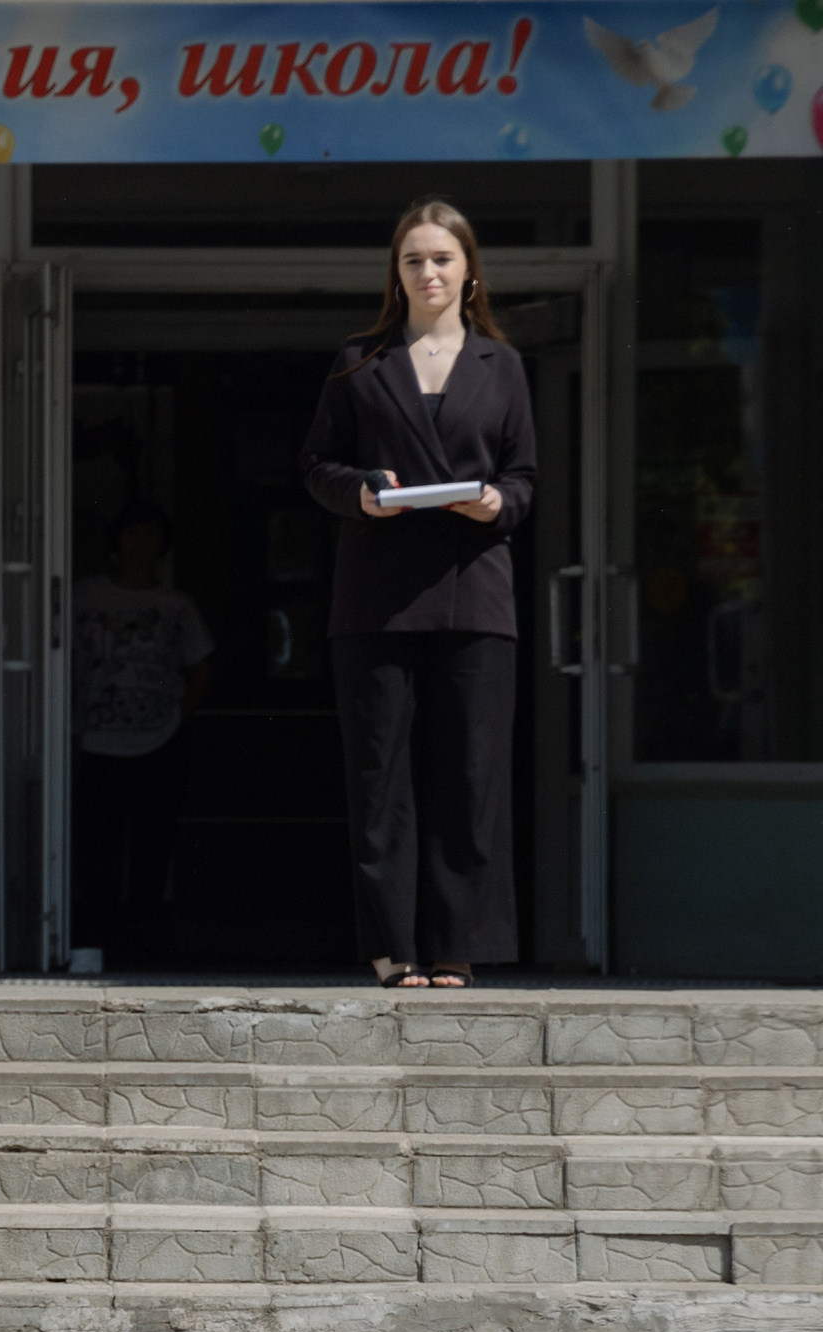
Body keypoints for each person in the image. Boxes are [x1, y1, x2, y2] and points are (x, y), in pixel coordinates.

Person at [302, 199, 535, 989]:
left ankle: (455, 944)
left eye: (441, 258)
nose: (428, 273)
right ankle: (391, 945)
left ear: (469, 271)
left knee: (469, 774)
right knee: (380, 775)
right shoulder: (360, 359)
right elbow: (318, 467)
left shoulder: (502, 366)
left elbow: (524, 478)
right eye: (412, 260)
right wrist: (361, 492)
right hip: (376, 597)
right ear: (395, 274)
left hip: (475, 595)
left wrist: (497, 503)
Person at [71, 501, 213, 964]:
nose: (140, 545)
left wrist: (176, 720)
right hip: (94, 742)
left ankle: (145, 950)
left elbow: (200, 669)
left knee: (153, 849)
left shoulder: (175, 605)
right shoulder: (84, 597)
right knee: (96, 849)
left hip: (158, 742)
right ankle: (94, 942)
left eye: (151, 536)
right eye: (132, 534)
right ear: (115, 542)